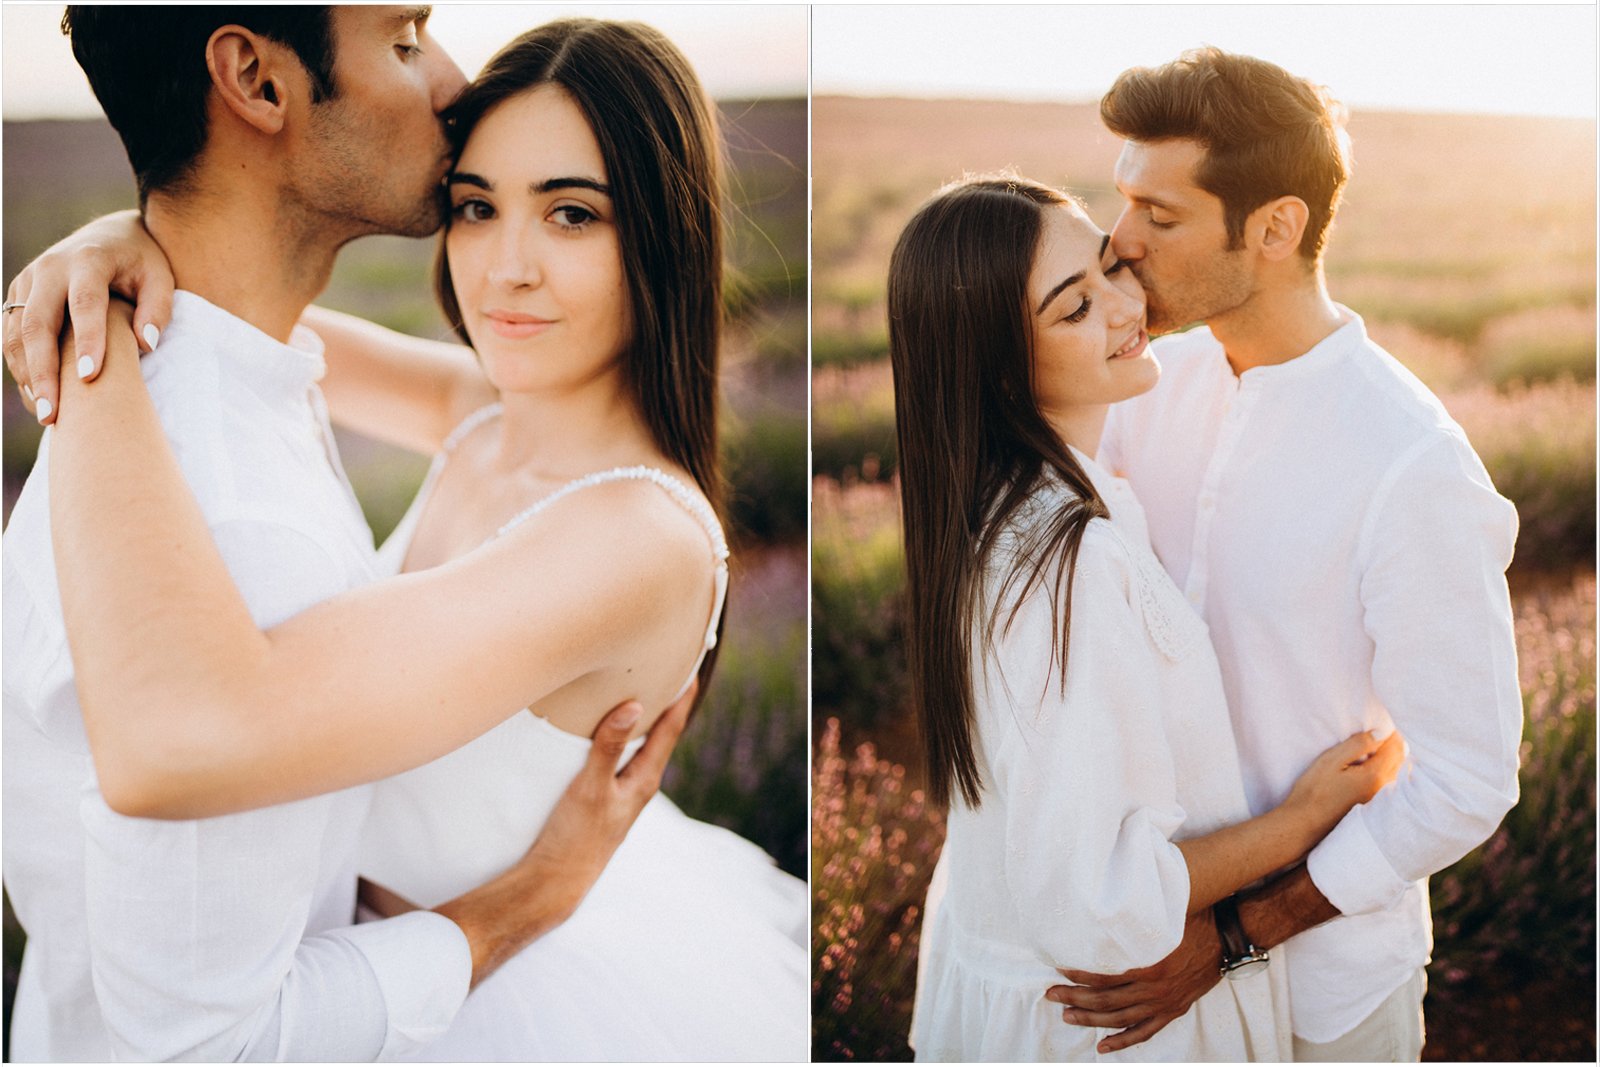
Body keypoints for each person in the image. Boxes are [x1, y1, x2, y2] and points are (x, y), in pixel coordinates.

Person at [3, 8, 805, 1062]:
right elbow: (246, 316)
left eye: (571, 216)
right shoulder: (487, 406)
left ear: (661, 231)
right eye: (476, 207)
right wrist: (114, 243)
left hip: (483, 991)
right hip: (364, 953)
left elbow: (178, 736)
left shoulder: (636, 536)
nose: (504, 266)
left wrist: (95, 335)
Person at [1043, 49, 1522, 1062]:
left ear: (1274, 227)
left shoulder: (1411, 464)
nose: (1116, 245)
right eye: (1121, 202)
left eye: (1158, 216)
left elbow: (1468, 776)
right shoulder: (1143, 390)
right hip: (1136, 961)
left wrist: (1235, 934)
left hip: (1323, 1000)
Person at [888, 174, 1404, 1062]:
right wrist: (1306, 816)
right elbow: (1104, 901)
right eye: (1075, 307)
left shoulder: (1034, 502)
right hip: (1113, 1026)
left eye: (1108, 269)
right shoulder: (1065, 562)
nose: (1129, 304)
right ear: (1001, 364)